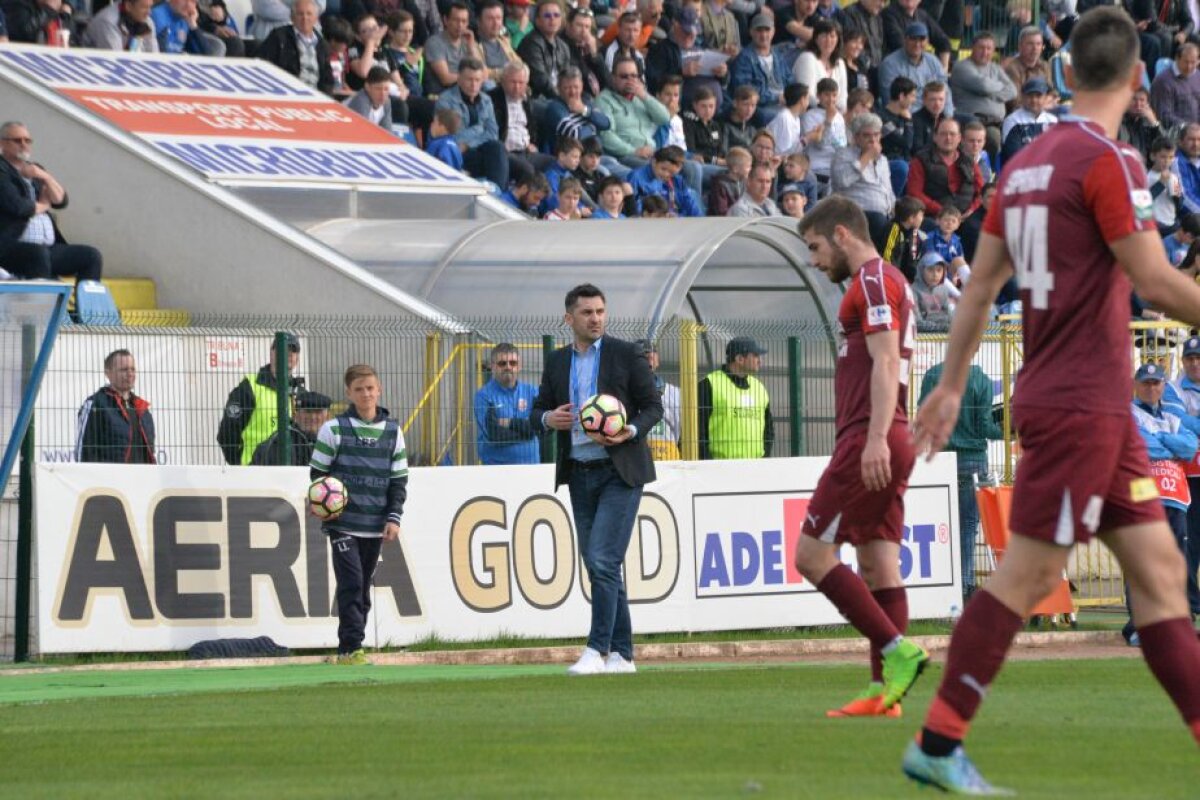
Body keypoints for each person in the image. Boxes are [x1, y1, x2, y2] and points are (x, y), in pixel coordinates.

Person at [907, 9, 1200, 792]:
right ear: (1138, 79)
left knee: (1161, 573)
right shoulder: (1110, 161)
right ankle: (938, 743)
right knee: (1028, 577)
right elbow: (1156, 281)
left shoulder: (1025, 165)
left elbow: (978, 287)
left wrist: (950, 381)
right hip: (1082, 405)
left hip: (1084, 401)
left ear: (1068, 75)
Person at [794, 195, 929, 719]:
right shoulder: (887, 282)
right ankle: (883, 693)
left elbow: (886, 358)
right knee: (877, 561)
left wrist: (873, 437)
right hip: (888, 431)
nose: (814, 259)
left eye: (815, 247)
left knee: (810, 556)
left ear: (843, 235)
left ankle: (898, 651)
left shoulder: (873, 280)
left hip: (871, 433)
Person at [531, 283, 662, 675]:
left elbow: (652, 406)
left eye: (601, 311)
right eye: (587, 312)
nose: (596, 319)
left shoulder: (626, 353)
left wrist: (631, 431)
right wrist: (546, 418)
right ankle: (623, 655)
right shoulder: (556, 361)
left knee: (603, 559)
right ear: (569, 319)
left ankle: (597, 650)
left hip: (619, 471)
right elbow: (538, 407)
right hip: (579, 473)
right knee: (600, 564)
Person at [310, 364, 408, 666]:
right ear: (348, 393)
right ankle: (351, 647)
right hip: (343, 524)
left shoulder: (393, 432)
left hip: (375, 524)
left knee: (363, 587)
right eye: (359, 389)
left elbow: (398, 481)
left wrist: (393, 518)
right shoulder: (333, 429)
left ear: (378, 390)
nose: (366, 394)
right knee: (351, 581)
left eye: (370, 388)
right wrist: (320, 503)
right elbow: (318, 475)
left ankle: (350, 646)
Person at [918, 353, 1001, 602]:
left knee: (941, 526)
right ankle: (964, 584)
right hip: (973, 459)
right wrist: (1007, 431)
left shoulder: (933, 375)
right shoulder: (980, 379)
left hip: (941, 459)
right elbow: (985, 426)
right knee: (967, 527)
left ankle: (944, 584)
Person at [1125, 362, 1198, 644]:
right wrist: (1168, 445)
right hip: (1142, 493)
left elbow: (1190, 447)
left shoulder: (1171, 416)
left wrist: (1162, 439)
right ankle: (1138, 626)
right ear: (1136, 385)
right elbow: (1142, 446)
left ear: (1164, 386)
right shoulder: (1128, 414)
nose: (1152, 388)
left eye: (1157, 383)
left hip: (1175, 496)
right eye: (1146, 383)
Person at [0, 122, 103, 288]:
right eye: (17, 140)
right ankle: (44, 311)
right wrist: (43, 205)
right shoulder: (2, 171)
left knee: (90, 256)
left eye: (27, 140)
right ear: (2, 143)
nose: (24, 145)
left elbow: (61, 201)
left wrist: (45, 176)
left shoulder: (35, 170)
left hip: (46, 249)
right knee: (37, 254)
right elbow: (19, 207)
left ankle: (86, 311)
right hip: (9, 247)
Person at [217, 334, 301, 466]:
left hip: (289, 474)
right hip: (254, 473)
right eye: (283, 349)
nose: (289, 353)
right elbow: (227, 433)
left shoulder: (299, 392)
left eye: (293, 350)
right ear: (272, 353)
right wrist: (239, 464)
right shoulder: (250, 387)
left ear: (297, 358)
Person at [435, 58, 510, 188]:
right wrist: (480, 129)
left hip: (477, 150)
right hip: (456, 153)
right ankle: (497, 194)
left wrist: (469, 143)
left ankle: (497, 193)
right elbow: (454, 137)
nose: (473, 85)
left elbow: (493, 133)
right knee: (496, 156)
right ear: (459, 79)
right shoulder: (445, 100)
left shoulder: (486, 100)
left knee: (498, 148)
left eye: (477, 80)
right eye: (469, 79)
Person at [697, 336, 772, 459]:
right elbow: (698, 430)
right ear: (739, 359)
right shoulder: (709, 385)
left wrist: (764, 459)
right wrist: (709, 464)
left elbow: (769, 429)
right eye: (755, 356)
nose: (760, 361)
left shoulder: (759, 388)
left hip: (755, 469)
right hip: (721, 469)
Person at [75, 349, 156, 465]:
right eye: (124, 370)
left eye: (132, 369)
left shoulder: (142, 409)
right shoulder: (95, 404)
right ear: (108, 373)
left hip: (142, 479)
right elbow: (83, 450)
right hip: (109, 481)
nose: (130, 374)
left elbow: (149, 452)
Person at [1169, 335, 1200, 618]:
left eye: (1198, 358)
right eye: (1190, 358)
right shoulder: (1174, 388)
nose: (1194, 363)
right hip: (1189, 474)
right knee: (1190, 541)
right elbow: (1181, 425)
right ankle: (1189, 603)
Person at [596, 55, 671, 169]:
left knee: (691, 168)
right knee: (657, 169)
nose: (630, 80)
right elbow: (607, 137)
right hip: (625, 156)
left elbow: (664, 118)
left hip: (652, 154)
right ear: (613, 78)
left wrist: (644, 96)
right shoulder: (604, 100)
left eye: (634, 76)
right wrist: (634, 151)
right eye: (624, 76)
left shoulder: (641, 97)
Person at [948, 32, 1016, 155]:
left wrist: (991, 93)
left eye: (989, 48)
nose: (985, 52)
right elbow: (984, 86)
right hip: (972, 122)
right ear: (972, 48)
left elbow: (1012, 91)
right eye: (981, 48)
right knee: (993, 137)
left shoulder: (995, 68)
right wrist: (999, 86)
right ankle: (991, 173)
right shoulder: (962, 67)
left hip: (997, 122)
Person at [831, 111, 894, 243]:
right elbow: (841, 181)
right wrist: (866, 158)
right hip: (855, 214)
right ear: (856, 138)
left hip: (883, 215)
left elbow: (888, 192)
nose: (873, 140)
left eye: (876, 135)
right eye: (867, 136)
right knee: (880, 222)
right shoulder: (843, 155)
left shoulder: (883, 160)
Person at [474, 343, 540, 465]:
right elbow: (494, 435)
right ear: (493, 367)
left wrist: (508, 423)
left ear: (519, 366)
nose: (508, 367)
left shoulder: (532, 392)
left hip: (531, 468)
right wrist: (527, 432)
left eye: (513, 363)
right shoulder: (484, 396)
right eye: (502, 363)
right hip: (496, 470)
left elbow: (538, 428)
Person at [255, 0, 334, 96]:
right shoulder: (279, 37)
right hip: (287, 95)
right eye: (300, 14)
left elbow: (327, 80)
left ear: (316, 18)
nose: (305, 18)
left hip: (315, 98)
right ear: (292, 17)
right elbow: (262, 66)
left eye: (309, 14)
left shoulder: (322, 44)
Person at [878, 23, 953, 119]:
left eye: (922, 39)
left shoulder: (933, 61)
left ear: (927, 41)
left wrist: (948, 116)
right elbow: (890, 100)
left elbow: (945, 90)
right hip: (907, 117)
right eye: (913, 39)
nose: (917, 44)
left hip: (935, 113)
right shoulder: (890, 64)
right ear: (905, 40)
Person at [728, 14, 791, 125]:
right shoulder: (744, 58)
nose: (763, 35)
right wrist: (776, 98)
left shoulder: (778, 55)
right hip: (760, 106)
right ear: (751, 32)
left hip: (783, 102)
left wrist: (793, 95)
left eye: (767, 30)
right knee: (782, 118)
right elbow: (744, 91)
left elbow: (790, 79)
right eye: (759, 30)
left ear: (773, 31)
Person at [252, 390, 332, 466]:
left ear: (328, 416)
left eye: (318, 412)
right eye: (308, 411)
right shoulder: (278, 443)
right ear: (296, 415)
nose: (313, 417)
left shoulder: (334, 441)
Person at [634, 338, 681, 461]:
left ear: (657, 360)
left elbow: (683, 432)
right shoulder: (623, 393)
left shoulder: (675, 393)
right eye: (643, 355)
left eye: (652, 355)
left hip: (669, 462)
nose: (649, 360)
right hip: (638, 463)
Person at [517, 0, 573, 101]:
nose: (552, 19)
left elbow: (568, 76)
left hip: (559, 95)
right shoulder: (532, 43)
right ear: (537, 21)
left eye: (556, 15)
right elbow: (540, 80)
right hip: (537, 97)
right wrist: (562, 98)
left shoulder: (563, 46)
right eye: (547, 15)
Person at [424, 1, 483, 95]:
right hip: (445, 92)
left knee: (488, 86)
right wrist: (471, 78)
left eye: (464, 21)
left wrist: (471, 48)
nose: (460, 25)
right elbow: (445, 79)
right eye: (456, 20)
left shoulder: (468, 40)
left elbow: (482, 71)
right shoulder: (434, 43)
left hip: (468, 88)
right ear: (445, 20)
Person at [627, 145, 703, 216]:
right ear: (654, 162)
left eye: (672, 172)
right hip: (650, 221)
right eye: (663, 169)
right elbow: (633, 208)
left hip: (676, 221)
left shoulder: (677, 181)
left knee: (693, 194)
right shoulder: (636, 177)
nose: (666, 174)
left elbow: (691, 206)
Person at [1000, 77, 1058, 166]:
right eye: (1030, 95)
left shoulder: (1053, 121)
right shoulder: (1012, 121)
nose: (1034, 100)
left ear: (1045, 98)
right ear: (1022, 97)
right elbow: (1014, 156)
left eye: (1038, 96)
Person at [881, 0, 952, 68]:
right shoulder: (888, 14)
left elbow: (944, 41)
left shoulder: (922, 15)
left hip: (920, 67)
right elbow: (901, 44)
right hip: (898, 68)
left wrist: (943, 69)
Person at [1150, 42, 1200, 133]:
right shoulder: (1163, 81)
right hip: (1176, 133)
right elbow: (1164, 115)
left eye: (1193, 62)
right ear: (1177, 59)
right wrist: (1188, 127)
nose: (1189, 67)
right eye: (1186, 62)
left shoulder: (1197, 76)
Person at [1001, 25, 1051, 108]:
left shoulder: (1044, 66)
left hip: (1044, 109)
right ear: (1020, 46)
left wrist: (1050, 99)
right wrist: (1042, 104)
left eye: (1038, 44)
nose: (1035, 48)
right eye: (1030, 44)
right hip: (1020, 113)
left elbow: (1052, 91)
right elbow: (1015, 101)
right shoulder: (1012, 68)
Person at [152, 0, 224, 56]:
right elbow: (160, 54)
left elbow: (208, 55)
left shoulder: (186, 20)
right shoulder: (157, 15)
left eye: (193, 1)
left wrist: (193, 26)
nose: (188, 5)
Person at [81, 0, 157, 51]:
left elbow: (154, 57)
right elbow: (115, 60)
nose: (149, 12)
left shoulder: (147, 21)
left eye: (150, 7)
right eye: (144, 7)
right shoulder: (108, 21)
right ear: (128, 6)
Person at [911, 250, 959, 330]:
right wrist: (944, 328)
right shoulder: (913, 291)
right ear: (922, 270)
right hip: (923, 339)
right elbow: (917, 323)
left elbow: (950, 318)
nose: (935, 274)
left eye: (939, 270)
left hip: (944, 335)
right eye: (930, 270)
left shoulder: (943, 289)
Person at [882, 195, 926, 282]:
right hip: (889, 275)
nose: (922, 219)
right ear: (911, 218)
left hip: (905, 279)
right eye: (921, 215)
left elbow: (913, 259)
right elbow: (887, 255)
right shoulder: (893, 228)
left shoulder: (914, 233)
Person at [1118, 87, 1167, 162]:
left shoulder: (1149, 123)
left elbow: (1165, 145)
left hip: (1145, 168)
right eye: (1133, 99)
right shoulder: (1118, 122)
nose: (1138, 104)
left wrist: (1154, 122)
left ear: (1147, 104)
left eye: (1142, 100)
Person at [1178, 123, 1200, 216]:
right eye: (1191, 139)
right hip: (1188, 216)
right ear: (1181, 142)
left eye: (1199, 139)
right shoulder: (1177, 162)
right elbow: (1184, 197)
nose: (1196, 144)